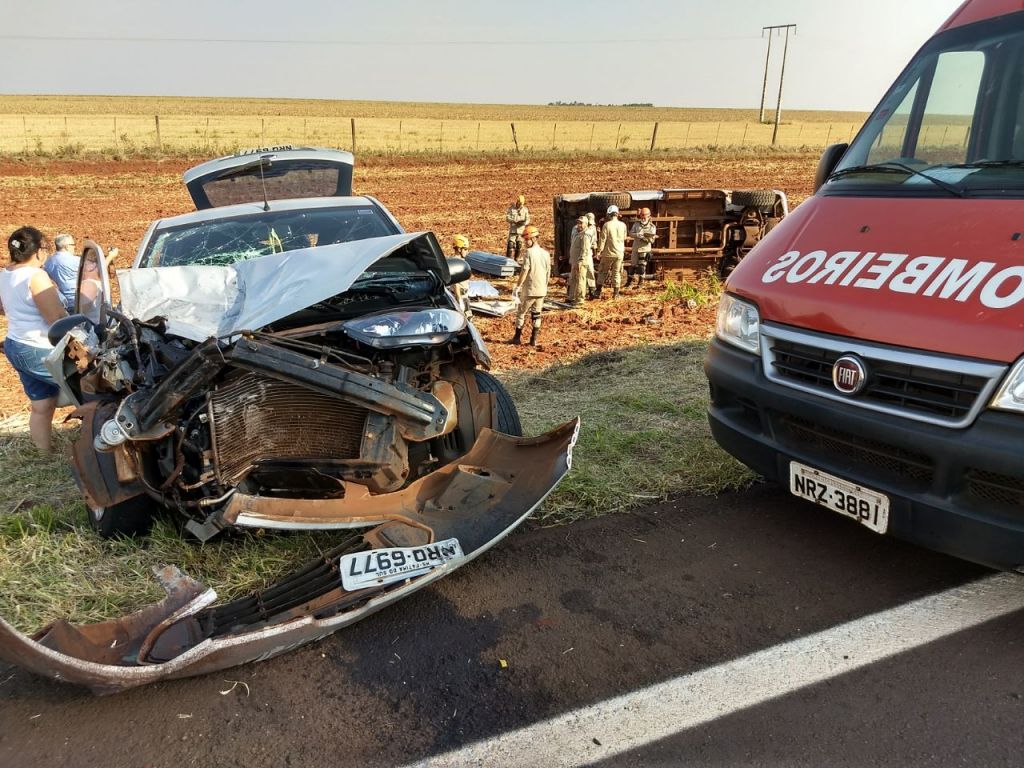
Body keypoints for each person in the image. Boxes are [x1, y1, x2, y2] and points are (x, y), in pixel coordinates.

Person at [0, 227, 68, 453]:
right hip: (39, 349)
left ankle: (44, 454)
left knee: (42, 404)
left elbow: (3, 308)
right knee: (90, 392)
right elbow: (56, 319)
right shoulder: (35, 276)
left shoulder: (5, 273)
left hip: (16, 344)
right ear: (38, 251)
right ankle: (98, 450)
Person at [511, 225, 550, 347]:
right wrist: (545, 286)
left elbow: (525, 271)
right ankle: (533, 339)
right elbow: (548, 272)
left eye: (526, 240)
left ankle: (517, 338)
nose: (525, 243)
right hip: (541, 289)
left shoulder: (529, 253)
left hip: (529, 290)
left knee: (521, 313)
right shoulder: (546, 253)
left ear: (532, 239)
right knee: (537, 314)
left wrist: (518, 286)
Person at [595, 204, 627, 299]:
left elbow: (603, 240)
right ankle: (616, 294)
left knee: (603, 272)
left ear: (609, 214)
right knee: (616, 272)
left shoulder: (606, 225)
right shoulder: (623, 225)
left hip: (608, 253)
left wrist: (598, 252)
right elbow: (624, 238)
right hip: (619, 253)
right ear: (617, 214)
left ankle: (598, 291)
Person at [43, 233, 79, 310]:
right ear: (66, 247)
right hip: (77, 302)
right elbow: (98, 270)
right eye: (73, 245)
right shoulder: (76, 261)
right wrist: (110, 256)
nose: (74, 247)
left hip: (60, 303)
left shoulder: (48, 262)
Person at [626, 207, 658, 288]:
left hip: (644, 249)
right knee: (633, 265)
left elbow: (652, 240)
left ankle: (641, 282)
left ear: (649, 215)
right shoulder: (636, 224)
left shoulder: (652, 227)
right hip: (636, 248)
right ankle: (629, 282)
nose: (643, 217)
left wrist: (644, 237)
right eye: (641, 215)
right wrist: (637, 235)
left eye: (644, 215)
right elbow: (630, 233)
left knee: (642, 266)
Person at [567, 216, 593, 305]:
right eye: (578, 223)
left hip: (580, 262)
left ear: (586, 224)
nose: (579, 225)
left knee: (581, 280)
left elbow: (585, 250)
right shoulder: (576, 232)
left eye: (581, 223)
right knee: (573, 278)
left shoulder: (585, 235)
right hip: (574, 260)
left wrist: (580, 261)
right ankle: (571, 297)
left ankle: (580, 300)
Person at [450, 234, 473, 318]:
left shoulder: (460, 261)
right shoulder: (456, 263)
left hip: (464, 296)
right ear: (459, 249)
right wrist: (459, 299)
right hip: (460, 296)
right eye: (465, 249)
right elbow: (455, 283)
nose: (467, 252)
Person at [505, 194, 530, 263]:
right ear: (517, 202)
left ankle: (516, 259)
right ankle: (507, 260)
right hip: (513, 230)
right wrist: (513, 220)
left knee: (519, 245)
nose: (521, 205)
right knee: (510, 245)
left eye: (522, 204)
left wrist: (524, 223)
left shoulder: (525, 210)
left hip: (521, 231)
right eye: (520, 203)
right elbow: (507, 217)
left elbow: (528, 219)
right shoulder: (512, 208)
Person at [585, 212, 598, 298]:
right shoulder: (577, 228)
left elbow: (594, 242)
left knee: (590, 271)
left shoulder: (593, 228)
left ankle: (592, 290)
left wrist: (596, 253)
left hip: (588, 252)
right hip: (580, 253)